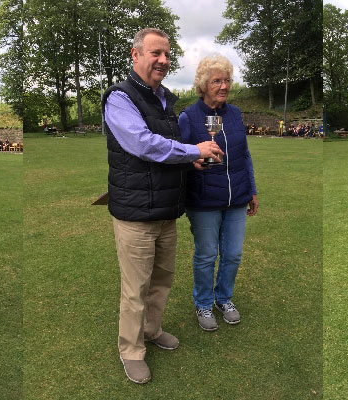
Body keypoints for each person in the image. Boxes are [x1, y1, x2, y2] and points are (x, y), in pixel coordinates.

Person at [103, 27, 223, 384]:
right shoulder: (120, 98)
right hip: (136, 213)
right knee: (135, 287)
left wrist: (190, 162)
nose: (163, 61)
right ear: (135, 54)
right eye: (155, 53)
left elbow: (166, 150)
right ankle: (131, 349)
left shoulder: (165, 99)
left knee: (161, 280)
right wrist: (193, 151)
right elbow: (143, 144)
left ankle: (152, 331)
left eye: (167, 55)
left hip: (167, 210)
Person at [177, 54, 259, 332]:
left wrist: (252, 190)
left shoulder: (234, 114)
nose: (224, 86)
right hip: (203, 200)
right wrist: (192, 161)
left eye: (227, 81)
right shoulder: (189, 117)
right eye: (217, 81)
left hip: (236, 197)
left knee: (233, 254)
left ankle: (224, 298)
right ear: (203, 84)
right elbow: (177, 156)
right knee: (207, 254)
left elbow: (244, 155)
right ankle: (203, 302)